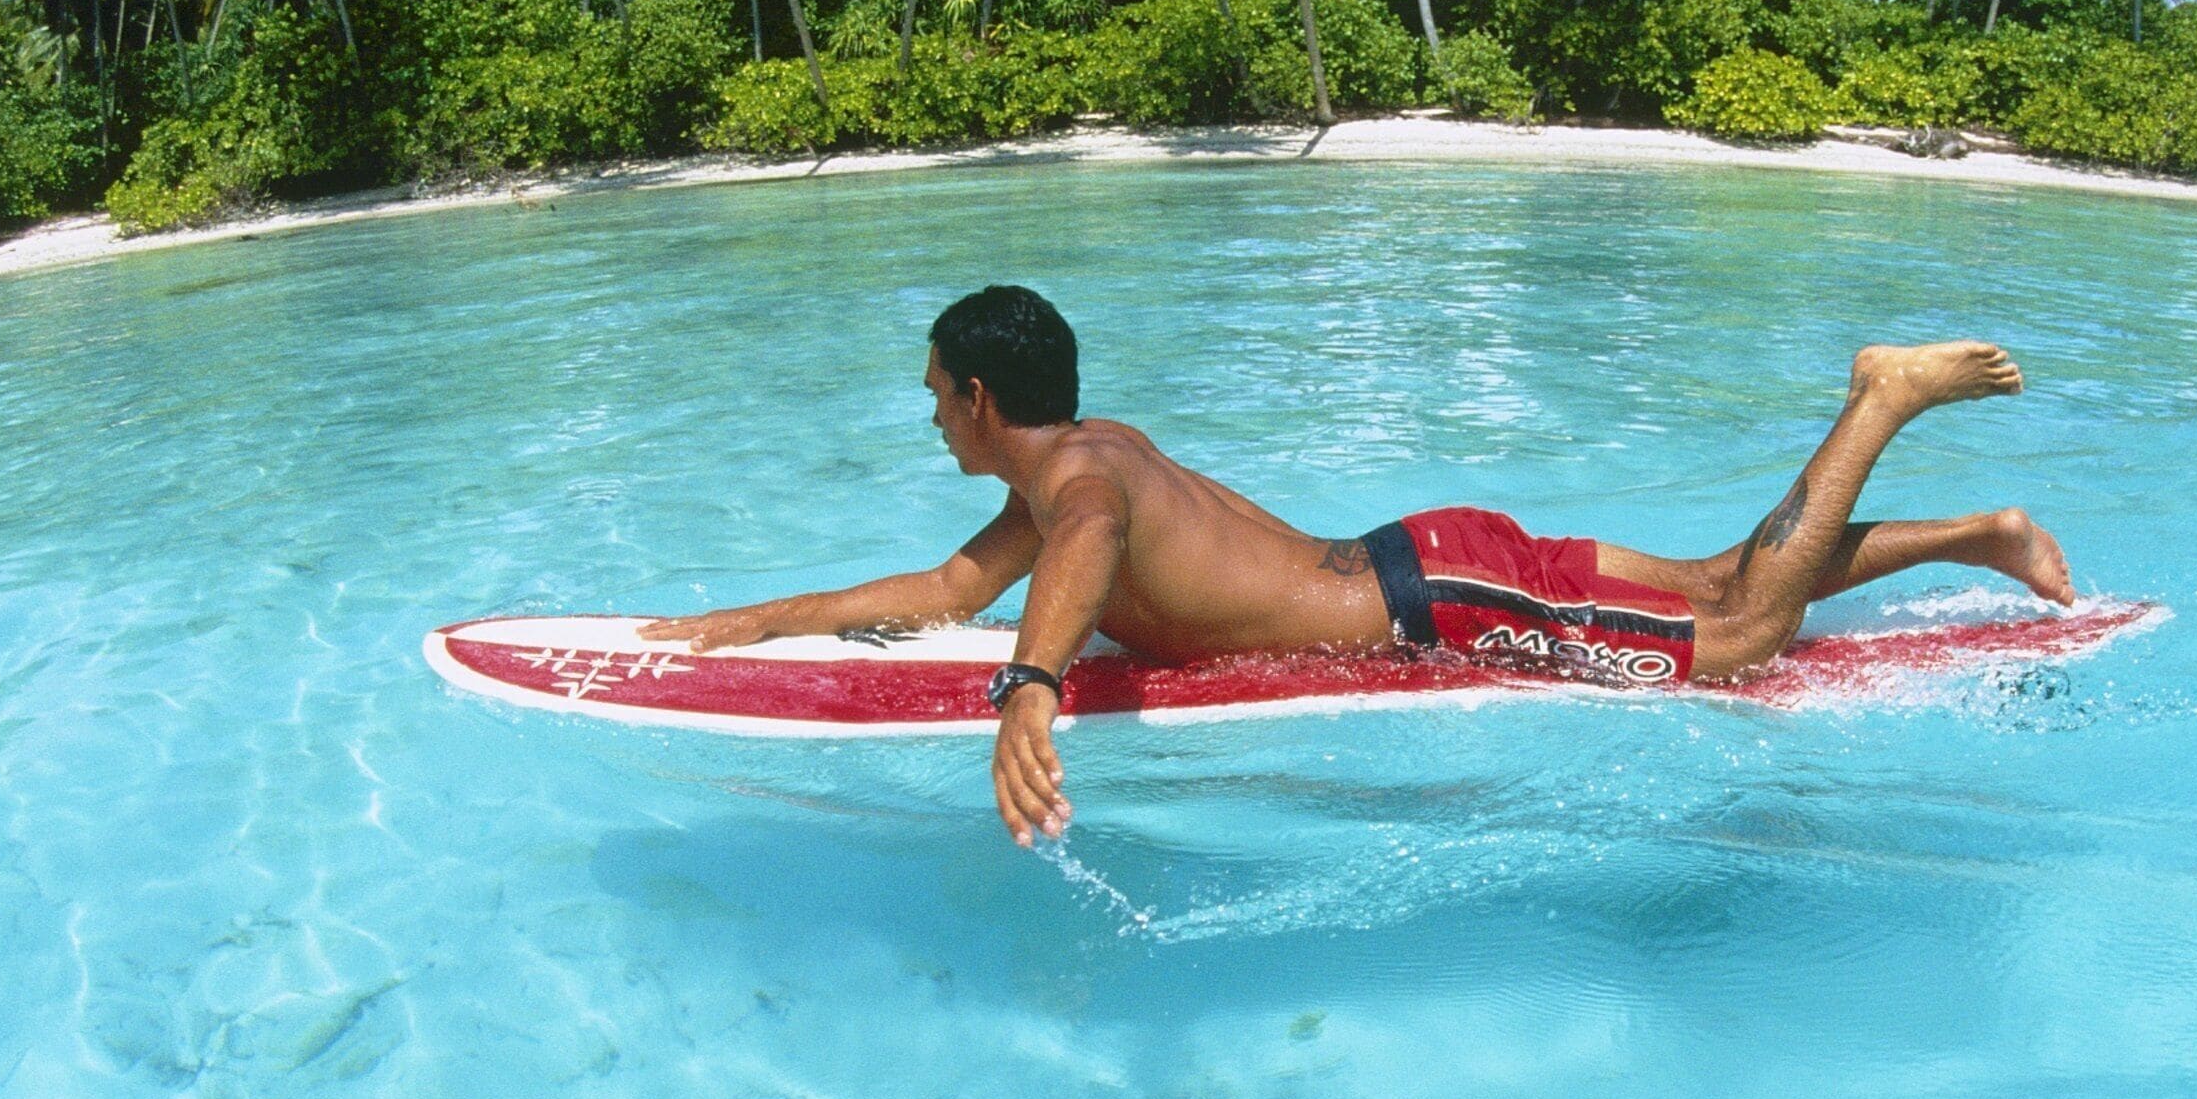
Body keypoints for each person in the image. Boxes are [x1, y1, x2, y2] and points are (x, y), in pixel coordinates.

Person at [643, 286, 2075, 845]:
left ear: (972, 398)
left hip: (1442, 607)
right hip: (1438, 557)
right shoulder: (1085, 451)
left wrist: (1031, 692)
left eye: (933, 392)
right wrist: (748, 622)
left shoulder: (1075, 488)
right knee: (1716, 580)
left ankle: (1878, 398)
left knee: (1742, 644)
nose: (929, 412)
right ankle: (1985, 534)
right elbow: (953, 590)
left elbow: (1069, 568)